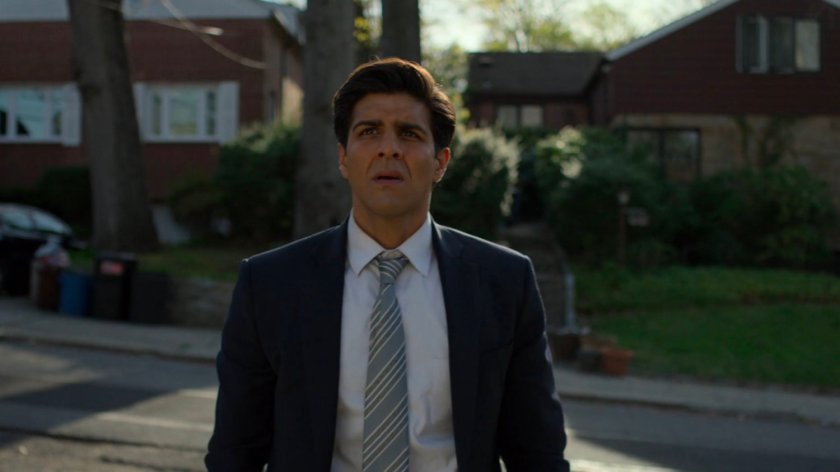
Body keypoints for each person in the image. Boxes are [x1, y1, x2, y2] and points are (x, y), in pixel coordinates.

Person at [205, 57, 569, 472]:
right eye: (369, 131)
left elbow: (537, 453)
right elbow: (234, 452)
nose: (389, 148)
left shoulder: (504, 281)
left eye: (409, 133)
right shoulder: (270, 283)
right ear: (344, 158)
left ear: (440, 162)